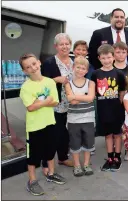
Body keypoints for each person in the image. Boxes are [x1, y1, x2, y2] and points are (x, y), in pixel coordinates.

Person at [19, 53, 66, 196]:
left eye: (34, 64)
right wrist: (46, 101)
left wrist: (39, 102)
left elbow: (56, 101)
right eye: (28, 67)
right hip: (34, 126)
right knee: (33, 156)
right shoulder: (26, 87)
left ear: (39, 63)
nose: (32, 68)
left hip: (49, 122)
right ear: (24, 71)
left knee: (50, 151)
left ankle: (51, 173)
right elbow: (31, 107)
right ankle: (32, 181)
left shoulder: (49, 82)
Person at [41, 33, 74, 174]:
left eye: (67, 44)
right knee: (54, 134)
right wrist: (56, 79)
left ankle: (63, 157)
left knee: (65, 134)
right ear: (56, 46)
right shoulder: (49, 63)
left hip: (72, 104)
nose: (65, 47)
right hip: (56, 105)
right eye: (61, 44)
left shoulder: (74, 62)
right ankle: (45, 163)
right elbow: (42, 84)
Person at [91, 44, 126, 171]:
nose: (106, 60)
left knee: (117, 134)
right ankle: (110, 157)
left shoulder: (119, 74)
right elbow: (93, 92)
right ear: (99, 58)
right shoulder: (95, 74)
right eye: (103, 58)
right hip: (103, 110)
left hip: (117, 110)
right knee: (108, 135)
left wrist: (119, 105)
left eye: (109, 57)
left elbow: (122, 91)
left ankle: (117, 157)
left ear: (113, 57)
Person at [64, 56, 96, 177]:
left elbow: (90, 98)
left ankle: (86, 164)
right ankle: (77, 165)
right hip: (73, 119)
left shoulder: (91, 83)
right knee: (75, 143)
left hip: (88, 118)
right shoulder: (68, 84)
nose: (80, 70)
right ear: (73, 68)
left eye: (83, 68)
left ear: (87, 71)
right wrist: (84, 95)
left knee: (88, 142)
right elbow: (71, 101)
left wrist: (77, 96)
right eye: (78, 67)